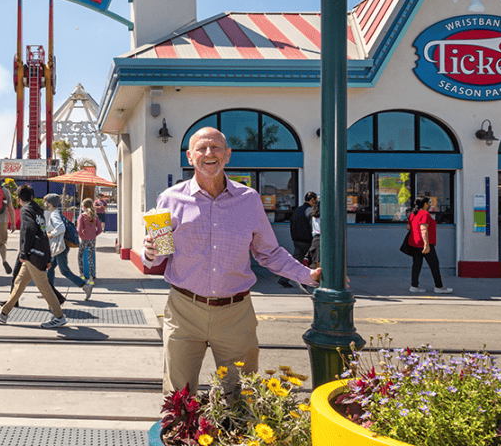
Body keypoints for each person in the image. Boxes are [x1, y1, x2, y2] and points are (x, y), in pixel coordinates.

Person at [143, 127, 321, 395]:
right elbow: (161, 251)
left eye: (215, 147)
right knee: (178, 397)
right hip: (183, 310)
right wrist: (150, 252)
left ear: (227, 155)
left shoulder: (248, 200)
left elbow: (269, 253)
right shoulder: (170, 199)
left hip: (235, 314)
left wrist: (309, 276)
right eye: (201, 148)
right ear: (190, 157)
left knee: (239, 397)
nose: (208, 153)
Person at [0, 184, 68, 329]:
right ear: (31, 196)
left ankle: (59, 316)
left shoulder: (25, 210)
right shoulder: (38, 210)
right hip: (39, 252)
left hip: (32, 254)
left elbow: (28, 230)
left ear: (18, 199)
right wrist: (48, 256)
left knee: (43, 286)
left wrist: (24, 253)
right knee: (19, 282)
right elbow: (43, 233)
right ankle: (4, 313)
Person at [44, 193, 93, 300]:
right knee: (50, 268)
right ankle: (49, 292)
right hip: (60, 245)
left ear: (50, 203)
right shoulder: (57, 212)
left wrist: (50, 234)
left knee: (64, 271)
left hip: (60, 246)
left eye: (46, 202)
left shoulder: (54, 214)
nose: (45, 204)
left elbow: (61, 228)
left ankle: (85, 286)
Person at [408, 196, 453, 294]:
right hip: (425, 244)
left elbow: (408, 227)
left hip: (415, 243)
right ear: (424, 204)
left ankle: (414, 286)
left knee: (416, 265)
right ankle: (439, 287)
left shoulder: (413, 214)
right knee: (434, 265)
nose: (429, 205)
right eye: (428, 203)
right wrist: (426, 245)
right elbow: (424, 229)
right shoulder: (425, 214)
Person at [279, 192, 317, 289]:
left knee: (295, 261)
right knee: (309, 262)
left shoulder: (297, 210)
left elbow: (292, 224)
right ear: (312, 200)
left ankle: (284, 279)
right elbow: (312, 227)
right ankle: (304, 281)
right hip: (307, 241)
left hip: (296, 240)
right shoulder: (310, 210)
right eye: (315, 200)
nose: (316, 202)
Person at [77, 198, 104, 285]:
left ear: (84, 207)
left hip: (84, 239)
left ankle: (82, 275)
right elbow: (100, 229)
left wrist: (82, 236)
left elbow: (79, 229)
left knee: (80, 256)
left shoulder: (82, 216)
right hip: (92, 239)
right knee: (90, 258)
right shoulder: (95, 216)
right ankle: (92, 277)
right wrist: (93, 235)